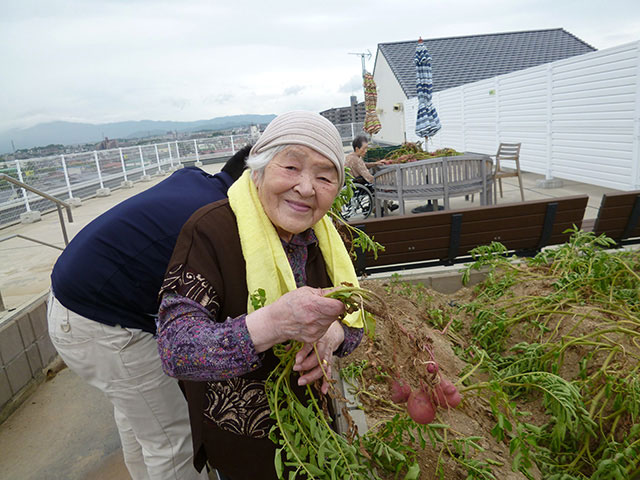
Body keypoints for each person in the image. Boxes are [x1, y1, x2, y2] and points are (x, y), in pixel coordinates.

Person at [156, 111, 365, 480]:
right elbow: (176, 349)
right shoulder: (210, 231)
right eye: (291, 167)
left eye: (324, 176)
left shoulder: (326, 237)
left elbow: (357, 319)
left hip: (314, 429)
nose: (306, 187)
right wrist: (274, 322)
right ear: (258, 170)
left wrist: (336, 334)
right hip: (245, 441)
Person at [47, 146, 250, 480]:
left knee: (140, 421)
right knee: (172, 439)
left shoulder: (194, 179)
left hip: (74, 305)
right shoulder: (216, 218)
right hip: (102, 324)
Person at [345, 135, 398, 212]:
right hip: (359, 183)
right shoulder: (357, 160)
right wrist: (383, 181)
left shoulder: (350, 157)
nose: (366, 150)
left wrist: (375, 163)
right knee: (381, 183)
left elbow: (363, 165)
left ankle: (380, 205)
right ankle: (383, 205)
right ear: (357, 149)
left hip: (353, 183)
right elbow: (368, 177)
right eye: (364, 148)